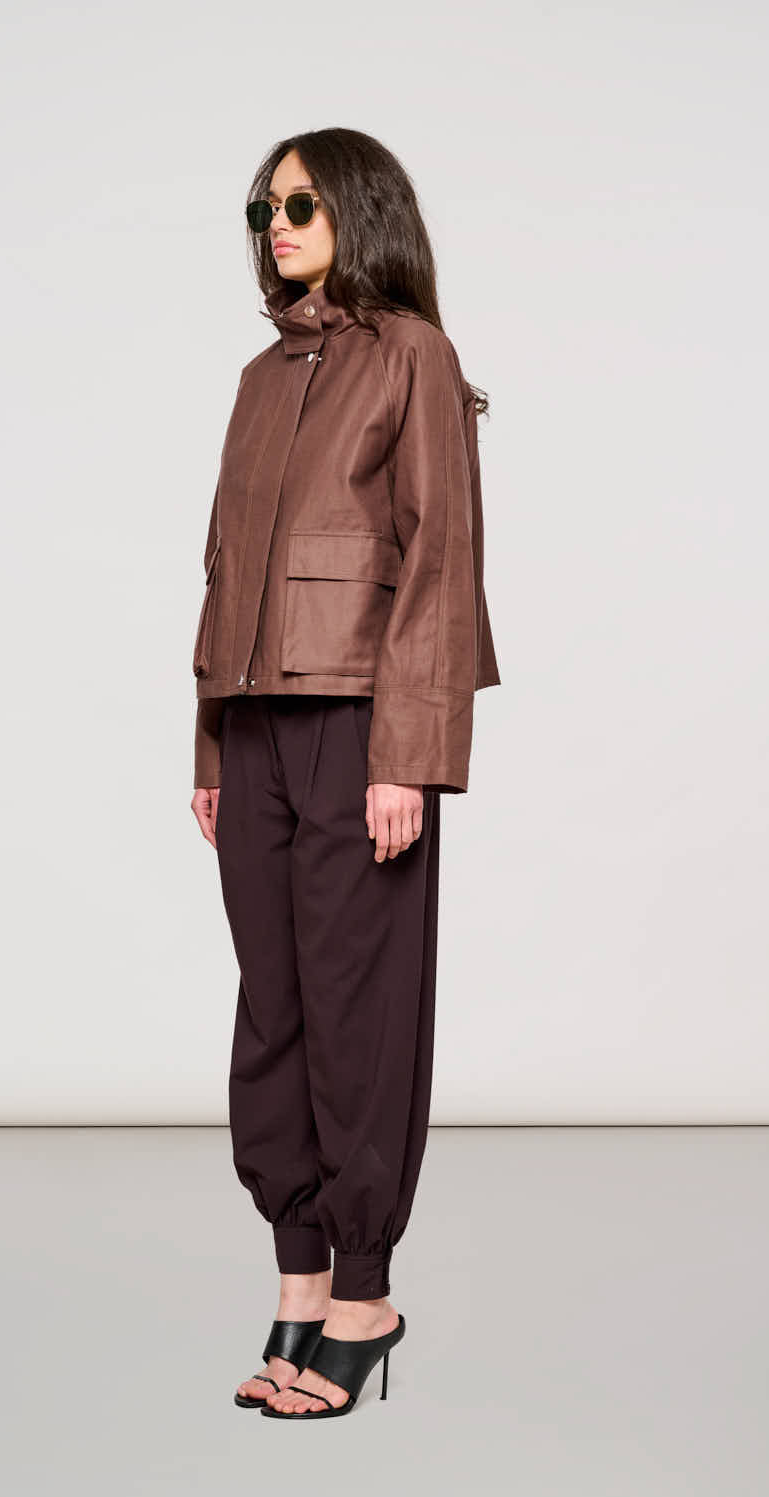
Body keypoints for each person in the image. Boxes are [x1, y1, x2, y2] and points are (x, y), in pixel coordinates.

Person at [189, 127, 500, 1420]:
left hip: (360, 724)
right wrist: (211, 742)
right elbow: (224, 566)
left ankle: (365, 1295)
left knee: (356, 1010)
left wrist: (408, 759)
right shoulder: (262, 376)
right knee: (273, 1012)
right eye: (264, 207)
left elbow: (440, 560)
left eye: (303, 203)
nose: (278, 224)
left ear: (360, 211)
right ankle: (299, 1279)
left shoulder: (412, 355)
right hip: (255, 730)